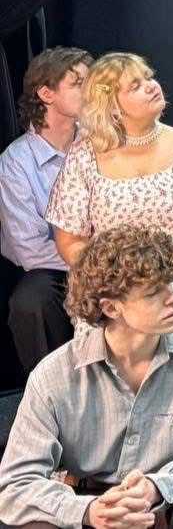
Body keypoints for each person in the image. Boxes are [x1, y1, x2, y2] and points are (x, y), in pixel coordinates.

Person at [0, 225, 173, 528]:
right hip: (86, 500)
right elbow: (15, 483)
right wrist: (89, 511)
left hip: (170, 494)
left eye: (169, 284)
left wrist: (155, 487)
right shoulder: (53, 376)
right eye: (153, 292)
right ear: (111, 307)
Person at [46, 53, 173, 335]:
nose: (151, 86)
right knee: (110, 327)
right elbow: (70, 240)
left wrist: (166, 260)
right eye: (135, 85)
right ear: (112, 106)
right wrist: (112, 271)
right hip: (112, 279)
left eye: (148, 77)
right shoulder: (84, 155)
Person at [0, 47, 91, 371]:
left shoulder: (99, 143)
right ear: (46, 93)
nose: (90, 91)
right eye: (78, 83)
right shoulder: (16, 162)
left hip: (110, 259)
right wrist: (91, 259)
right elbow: (27, 248)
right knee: (30, 302)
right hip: (56, 267)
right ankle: (49, 393)